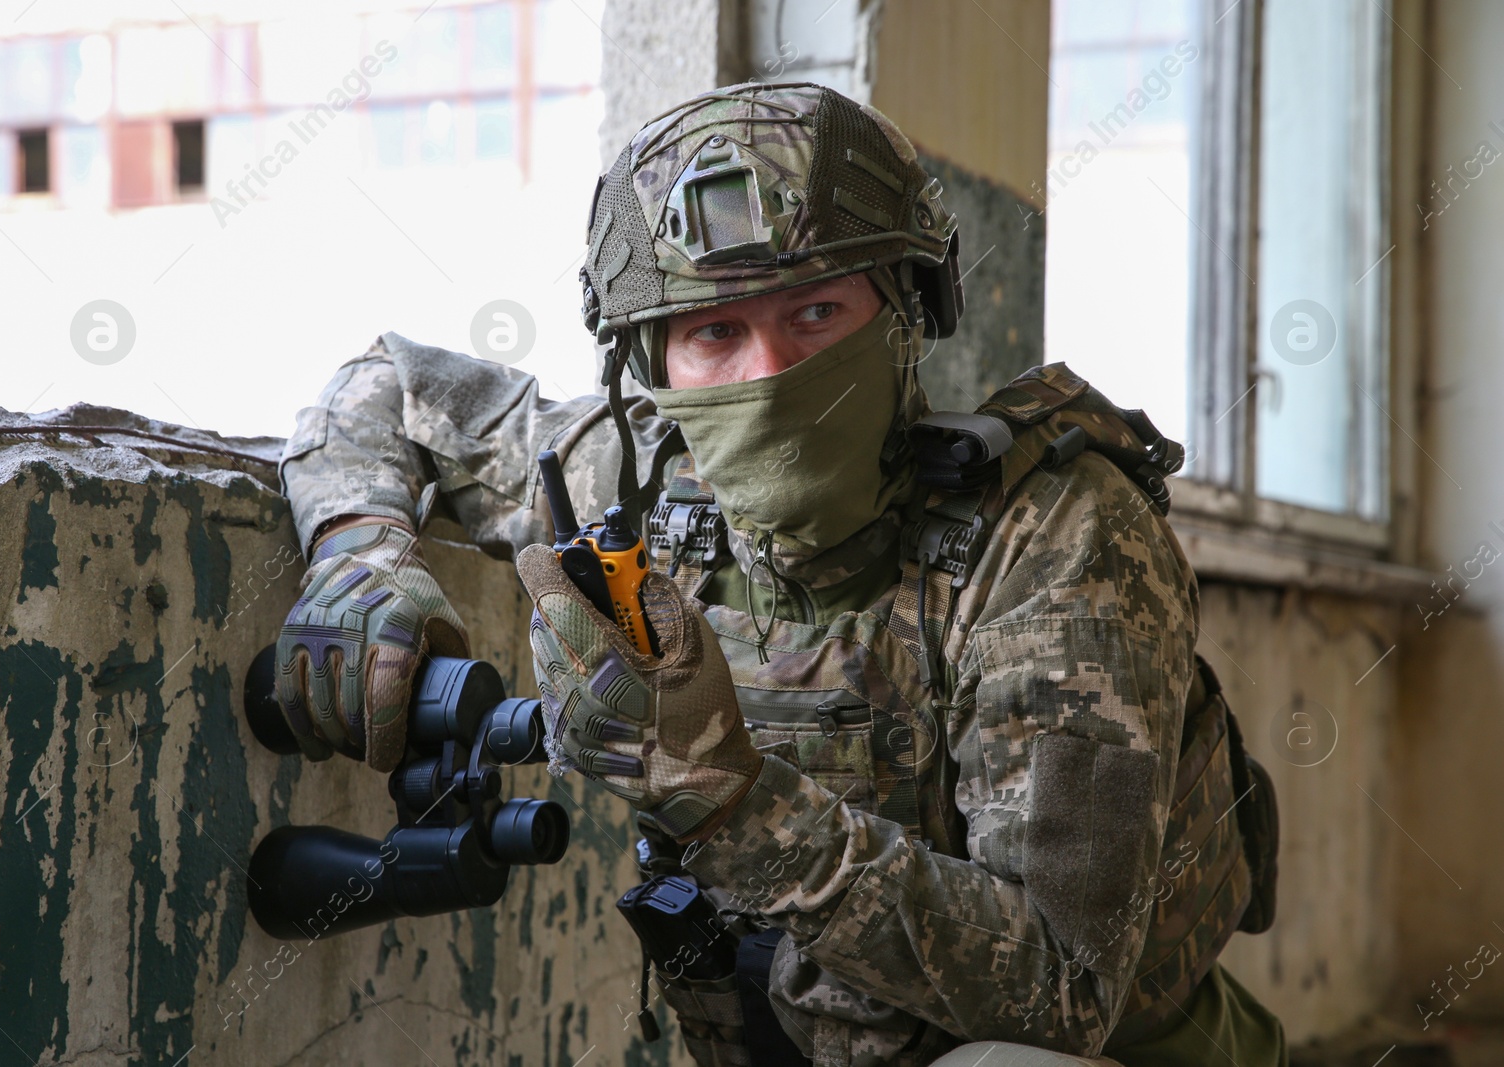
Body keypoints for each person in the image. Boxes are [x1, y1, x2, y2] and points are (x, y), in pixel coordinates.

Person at [273, 82, 1285, 1066]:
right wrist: (358, 554)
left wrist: (723, 799)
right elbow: (388, 387)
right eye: (715, 330)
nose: (768, 373)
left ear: (906, 311)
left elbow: (1065, 987)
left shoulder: (1057, 537)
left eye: (814, 314)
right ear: (651, 363)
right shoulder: (644, 481)